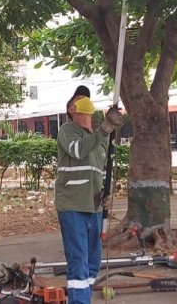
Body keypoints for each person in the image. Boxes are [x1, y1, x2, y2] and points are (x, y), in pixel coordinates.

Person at [55, 97, 123, 304]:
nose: (85, 100)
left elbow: (100, 171)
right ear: (72, 109)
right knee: (79, 260)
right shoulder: (67, 131)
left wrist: (106, 193)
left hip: (93, 207)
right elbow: (78, 150)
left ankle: (83, 298)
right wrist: (106, 127)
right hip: (72, 206)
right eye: (79, 99)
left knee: (93, 261)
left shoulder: (97, 138)